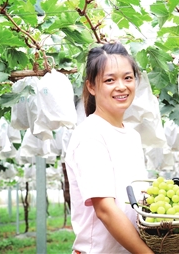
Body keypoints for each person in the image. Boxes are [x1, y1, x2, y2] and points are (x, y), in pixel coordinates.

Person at [65, 43, 154, 254]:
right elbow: (105, 209)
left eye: (128, 78)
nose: (121, 86)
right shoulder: (90, 134)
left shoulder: (132, 135)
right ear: (92, 87)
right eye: (109, 80)